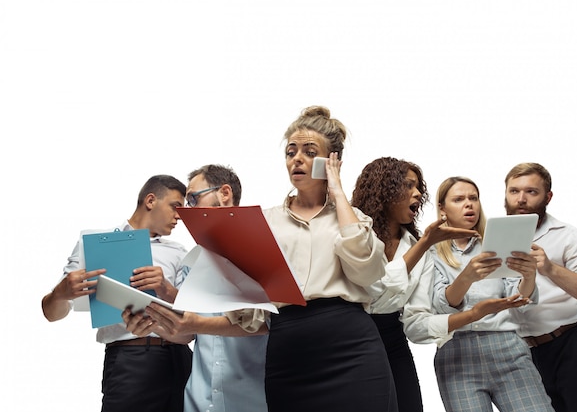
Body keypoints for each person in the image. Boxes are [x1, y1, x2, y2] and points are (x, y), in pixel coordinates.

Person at [352, 158, 531, 412]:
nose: (417, 193)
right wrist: (427, 244)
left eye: (419, 188)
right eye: (408, 185)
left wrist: (472, 314)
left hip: (393, 338)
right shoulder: (359, 234)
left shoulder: (417, 247)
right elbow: (374, 291)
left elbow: (416, 323)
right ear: (385, 189)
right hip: (352, 334)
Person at [259, 106, 396, 412]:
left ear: (331, 162)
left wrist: (337, 192)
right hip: (288, 348)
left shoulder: (353, 218)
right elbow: (249, 291)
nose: (297, 158)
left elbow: (368, 272)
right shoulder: (265, 221)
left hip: (351, 345)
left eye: (309, 152)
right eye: (291, 152)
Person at [122, 165, 269, 412]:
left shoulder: (266, 252)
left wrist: (195, 324)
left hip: (251, 400)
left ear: (224, 193)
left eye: (193, 198)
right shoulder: (191, 261)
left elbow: (269, 325)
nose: (186, 211)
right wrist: (150, 326)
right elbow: (186, 334)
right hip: (199, 402)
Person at [41, 174, 193, 412]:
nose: (179, 217)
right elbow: (51, 313)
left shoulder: (179, 252)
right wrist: (60, 294)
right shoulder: (94, 244)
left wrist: (167, 288)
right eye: (176, 207)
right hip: (130, 361)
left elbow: (194, 313)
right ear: (150, 200)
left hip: (181, 359)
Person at [428, 175, 554, 412]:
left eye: (473, 198)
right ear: (442, 209)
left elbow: (519, 300)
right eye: (459, 199)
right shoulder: (430, 252)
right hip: (457, 354)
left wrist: (528, 276)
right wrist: (466, 277)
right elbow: (441, 307)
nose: (469, 204)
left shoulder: (496, 243)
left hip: (506, 346)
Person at [504, 163, 577, 412]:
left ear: (548, 197)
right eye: (514, 191)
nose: (521, 199)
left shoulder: (570, 237)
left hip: (574, 346)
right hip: (521, 357)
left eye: (531, 192)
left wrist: (550, 269)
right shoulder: (490, 240)